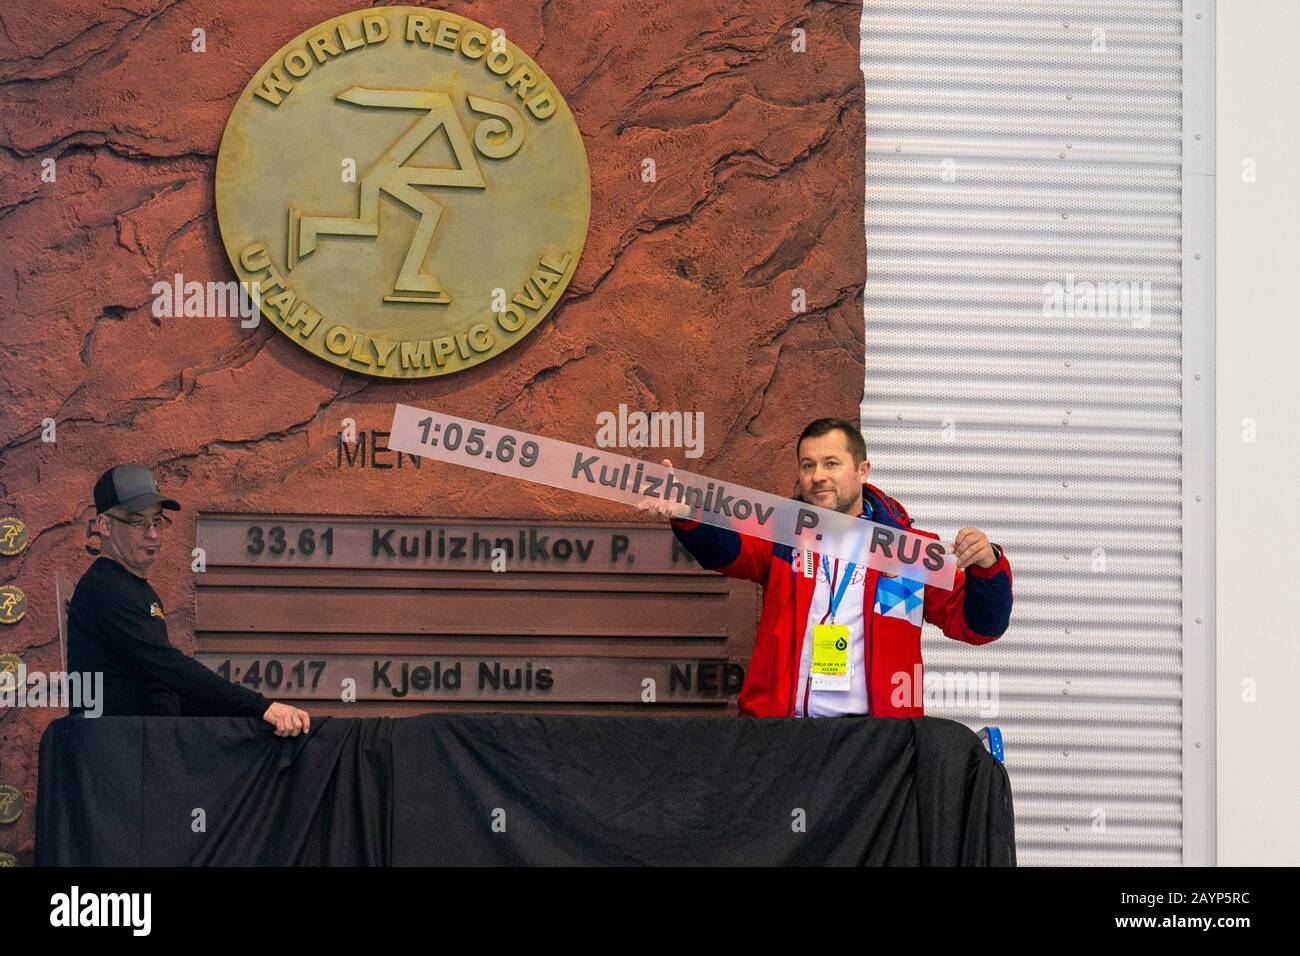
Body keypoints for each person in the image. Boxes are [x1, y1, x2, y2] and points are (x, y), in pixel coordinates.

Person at [640, 418, 1012, 718]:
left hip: (876, 746)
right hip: (784, 738)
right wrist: (689, 512)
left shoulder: (907, 551)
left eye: (831, 464)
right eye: (808, 465)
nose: (818, 475)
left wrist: (987, 567)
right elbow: (730, 549)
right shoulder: (782, 531)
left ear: (862, 470)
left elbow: (979, 627)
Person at [66, 464, 312, 736]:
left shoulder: (134, 587)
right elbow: (169, 667)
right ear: (104, 526)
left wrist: (246, 713)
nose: (153, 534)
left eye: (157, 521)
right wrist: (260, 707)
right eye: (138, 522)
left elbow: (164, 684)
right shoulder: (106, 588)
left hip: (143, 748)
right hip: (117, 755)